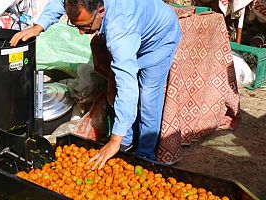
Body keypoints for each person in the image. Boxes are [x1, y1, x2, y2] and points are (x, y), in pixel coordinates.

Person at [10, 0, 181, 169]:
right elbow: (60, 1)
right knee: (116, 88)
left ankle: (145, 153)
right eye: (76, 26)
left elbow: (127, 88)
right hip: (133, 30)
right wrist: (40, 26)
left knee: (148, 96)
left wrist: (114, 141)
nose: (81, 34)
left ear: (101, 10)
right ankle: (126, 144)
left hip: (158, 39)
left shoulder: (120, 29)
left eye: (85, 26)